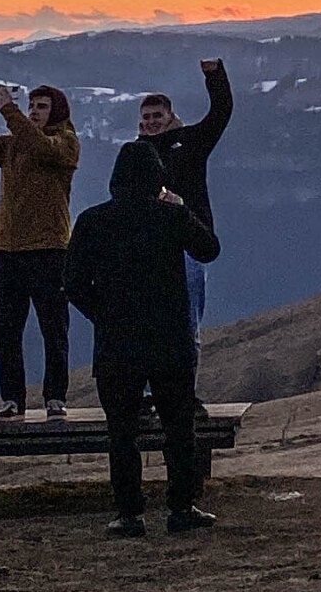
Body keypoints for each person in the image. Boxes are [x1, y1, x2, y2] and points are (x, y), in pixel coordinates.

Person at [64, 140, 221, 538]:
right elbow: (209, 249)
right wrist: (181, 207)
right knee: (179, 427)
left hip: (118, 341)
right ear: (157, 178)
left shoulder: (93, 221)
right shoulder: (170, 217)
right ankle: (182, 505)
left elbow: (74, 284)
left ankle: (129, 512)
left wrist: (104, 315)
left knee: (121, 431)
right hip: (169, 337)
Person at [0, 81, 80, 419]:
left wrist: (7, 109)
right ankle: (12, 399)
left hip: (48, 250)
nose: (35, 112)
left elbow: (41, 148)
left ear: (57, 112)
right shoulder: (12, 146)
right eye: (33, 106)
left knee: (53, 330)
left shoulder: (65, 144)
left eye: (42, 107)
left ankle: (56, 397)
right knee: (5, 332)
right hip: (9, 250)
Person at [137, 57, 233, 352]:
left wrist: (215, 75)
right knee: (148, 327)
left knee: (188, 327)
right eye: (147, 117)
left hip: (190, 246)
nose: (152, 121)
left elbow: (221, 112)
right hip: (150, 249)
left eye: (158, 115)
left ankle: (184, 395)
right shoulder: (136, 154)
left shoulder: (191, 142)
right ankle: (153, 394)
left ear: (170, 116)